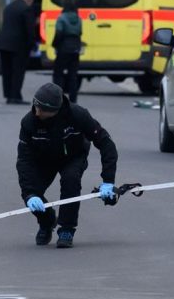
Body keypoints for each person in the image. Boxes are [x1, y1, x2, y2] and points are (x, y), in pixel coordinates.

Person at [17, 83, 118, 249]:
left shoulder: (78, 115)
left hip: (73, 156)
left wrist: (108, 180)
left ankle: (66, 229)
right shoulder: (29, 122)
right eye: (36, 107)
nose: (37, 112)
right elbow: (24, 160)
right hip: (43, 158)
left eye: (42, 110)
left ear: (55, 110)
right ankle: (47, 221)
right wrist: (29, 193)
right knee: (31, 193)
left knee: (70, 180)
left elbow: (106, 144)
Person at [0, 0, 36, 105]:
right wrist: (32, 44)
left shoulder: (8, 8)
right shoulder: (26, 9)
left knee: (7, 71)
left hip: (4, 44)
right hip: (19, 46)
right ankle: (15, 96)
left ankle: (8, 95)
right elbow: (29, 29)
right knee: (17, 71)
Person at [51, 0, 83, 103]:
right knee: (73, 75)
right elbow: (80, 33)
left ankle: (58, 97)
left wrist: (54, 44)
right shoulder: (78, 19)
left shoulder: (61, 18)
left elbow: (59, 33)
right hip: (75, 48)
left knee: (58, 73)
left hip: (63, 48)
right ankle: (73, 99)